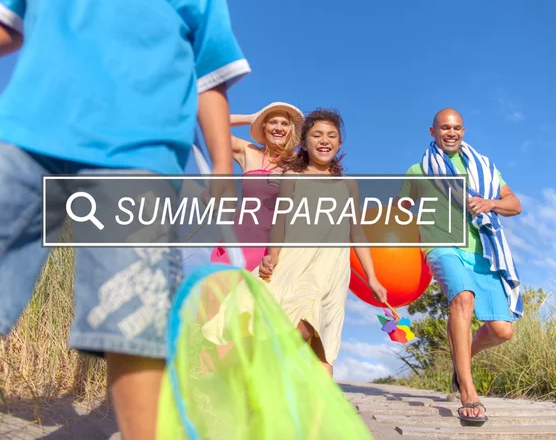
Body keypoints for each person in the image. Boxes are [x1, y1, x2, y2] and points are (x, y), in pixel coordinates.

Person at [0, 0, 250, 439]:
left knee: (130, 312)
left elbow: (209, 80)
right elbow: (6, 22)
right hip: (24, 127)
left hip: (139, 155)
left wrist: (219, 164)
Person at [203, 108, 388, 377]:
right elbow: (281, 221)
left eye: (331, 135)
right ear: (305, 141)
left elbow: (356, 231)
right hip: (294, 259)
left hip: (331, 266)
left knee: (322, 340)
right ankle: (254, 380)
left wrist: (372, 278)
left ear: (339, 142)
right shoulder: (292, 177)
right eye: (316, 135)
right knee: (292, 324)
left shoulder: (348, 184)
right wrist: (273, 255)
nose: (324, 140)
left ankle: (318, 412)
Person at [399, 108, 523, 423]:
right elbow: (398, 214)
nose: (450, 132)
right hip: (441, 246)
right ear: (433, 132)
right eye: (444, 128)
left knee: (501, 330)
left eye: (456, 128)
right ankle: (468, 391)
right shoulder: (418, 170)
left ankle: (461, 359)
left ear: (463, 131)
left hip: (482, 250)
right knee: (463, 297)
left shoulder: (484, 167)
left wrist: (491, 203)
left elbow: (515, 204)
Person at [210, 102, 303, 271]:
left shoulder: (298, 163)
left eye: (284, 123)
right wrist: (251, 118)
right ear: (264, 126)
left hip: (272, 251)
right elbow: (212, 124)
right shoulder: (249, 152)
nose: (279, 128)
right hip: (236, 243)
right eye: (273, 122)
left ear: (291, 129)